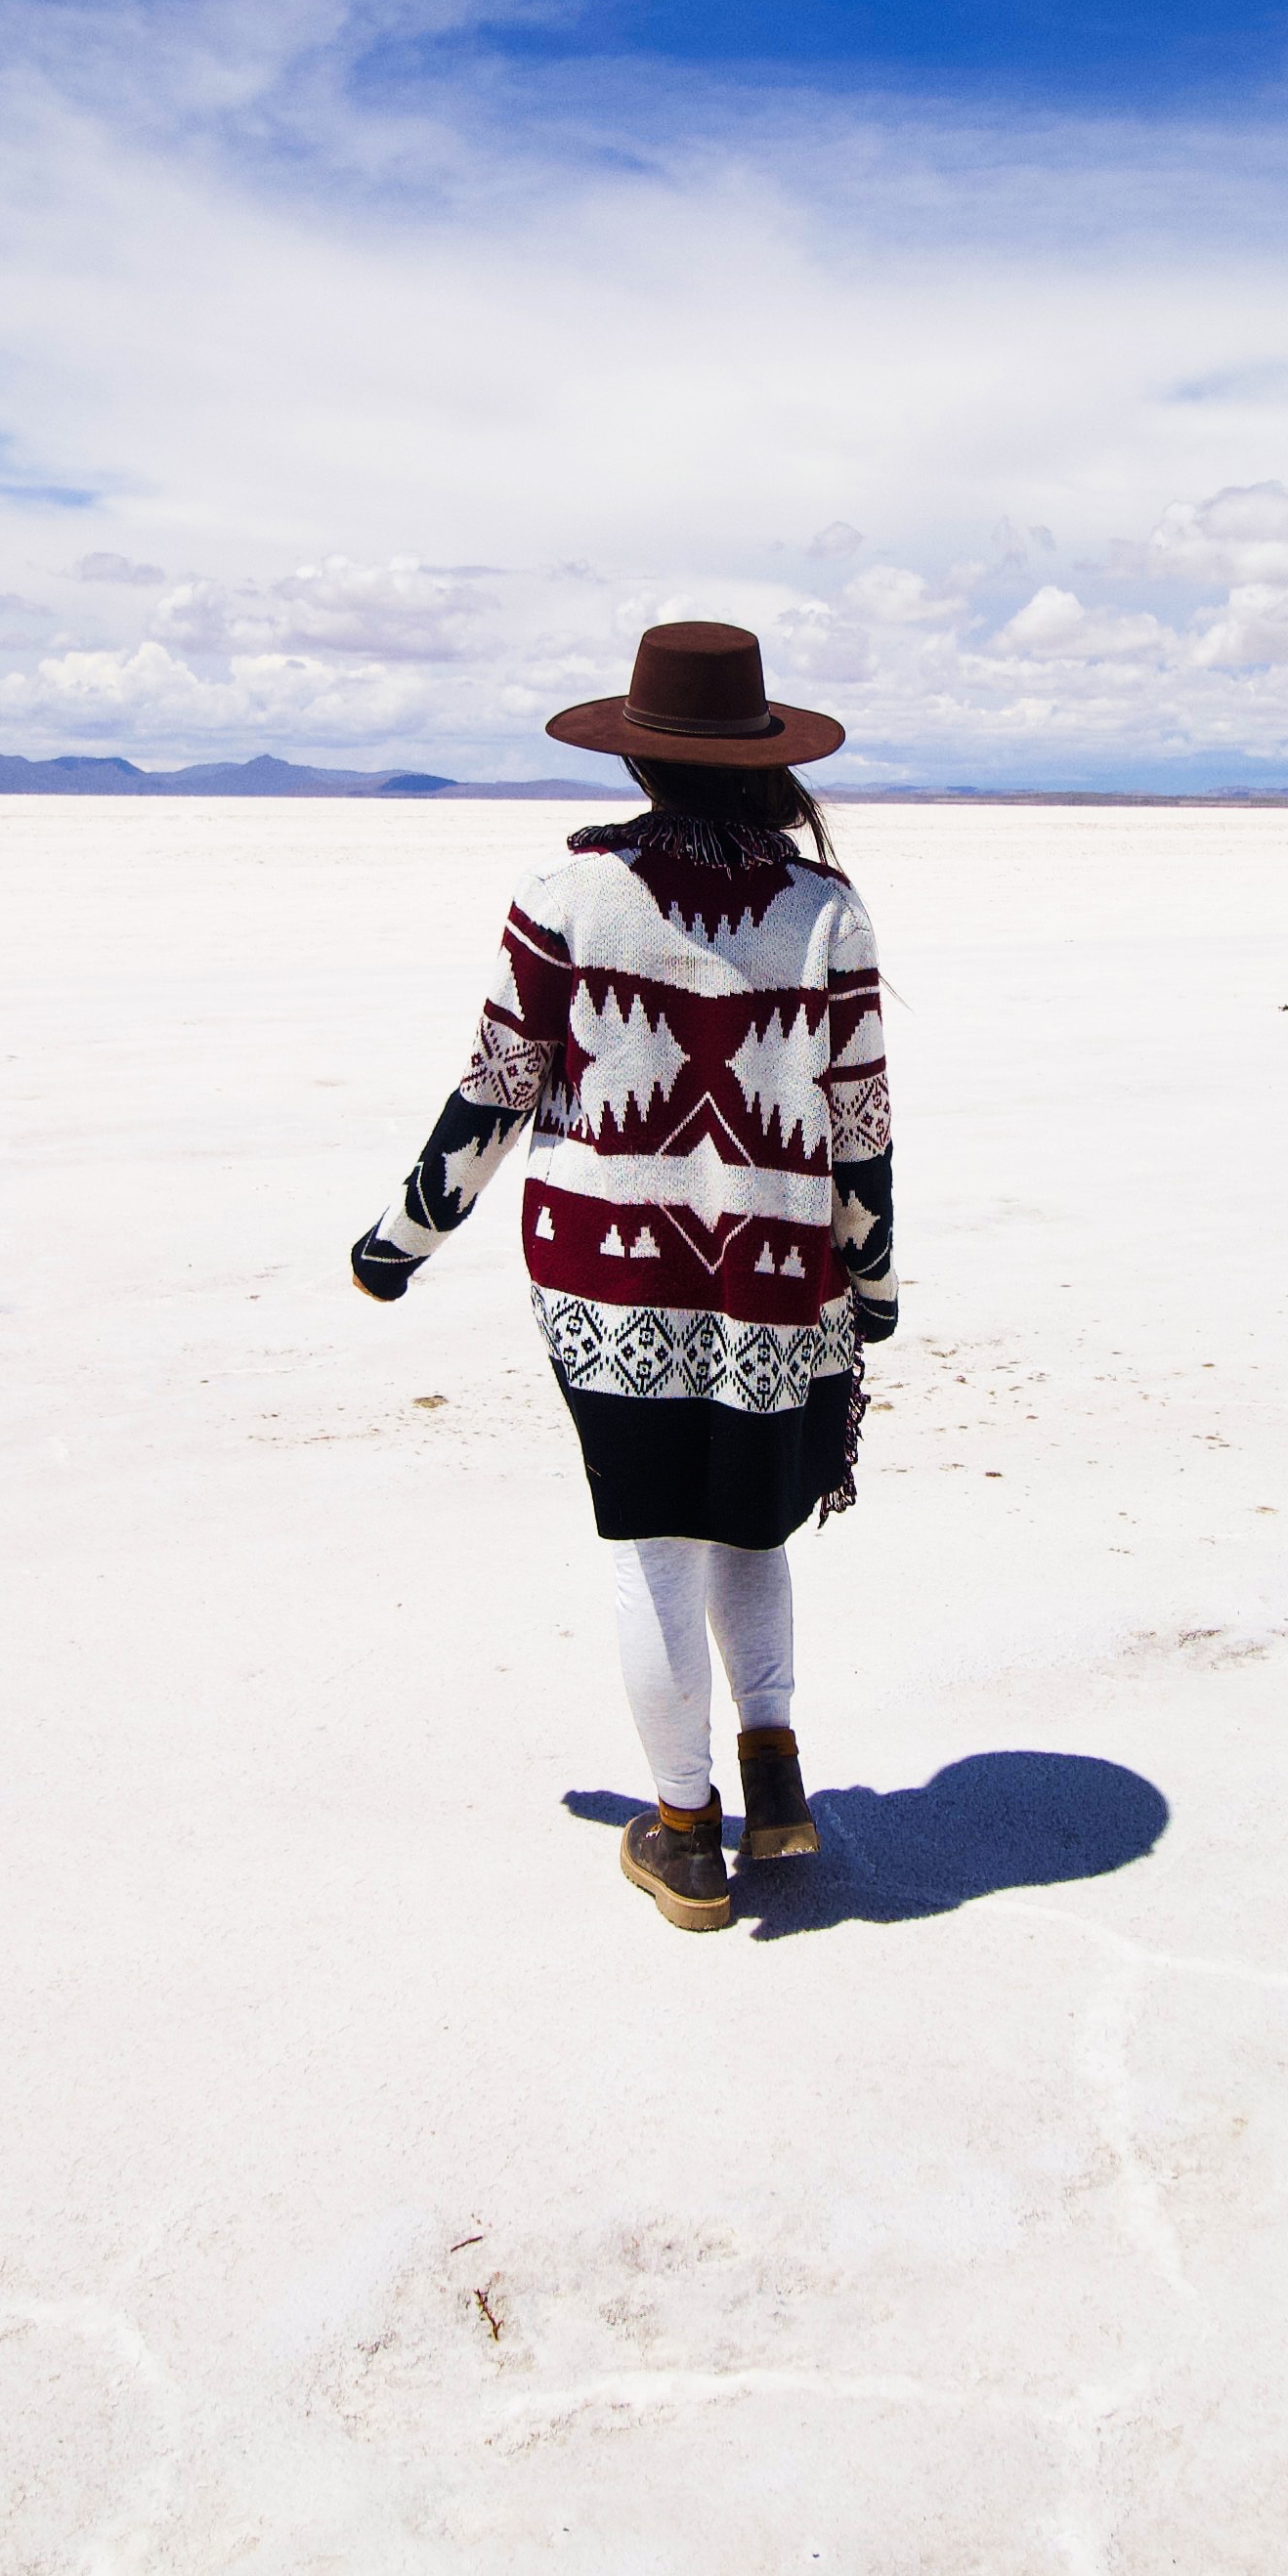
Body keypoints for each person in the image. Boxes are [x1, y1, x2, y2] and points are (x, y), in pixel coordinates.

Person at [350, 622, 898, 1932]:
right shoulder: (827, 910)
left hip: (611, 1282)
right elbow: (861, 1123)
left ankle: (681, 1831)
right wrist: (870, 1288)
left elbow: (496, 1087)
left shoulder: (567, 894)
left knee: (655, 1544)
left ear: (640, 760)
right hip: (776, 1276)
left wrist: (400, 1242)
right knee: (753, 1530)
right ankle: (776, 1790)